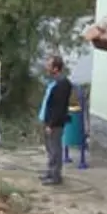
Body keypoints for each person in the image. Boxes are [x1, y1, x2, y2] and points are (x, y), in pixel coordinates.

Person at [39, 55, 73, 186]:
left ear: (55, 68)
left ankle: (55, 176)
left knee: (55, 149)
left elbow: (58, 107)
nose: (46, 67)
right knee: (49, 148)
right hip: (47, 119)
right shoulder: (54, 82)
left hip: (54, 123)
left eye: (49, 65)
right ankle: (50, 172)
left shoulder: (62, 84)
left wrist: (51, 124)